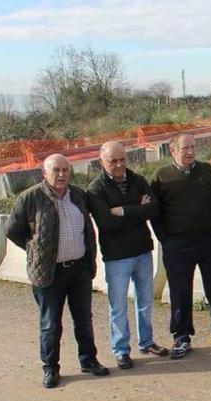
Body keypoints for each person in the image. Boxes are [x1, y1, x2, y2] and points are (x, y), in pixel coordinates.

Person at [6, 154, 109, 388]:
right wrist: (36, 251)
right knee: (51, 324)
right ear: (44, 173)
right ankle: (50, 368)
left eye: (65, 170)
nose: (61, 175)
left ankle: (89, 360)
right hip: (49, 274)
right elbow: (13, 231)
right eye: (56, 170)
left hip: (79, 270)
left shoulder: (78, 195)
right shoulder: (30, 198)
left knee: (84, 319)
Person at [151, 133, 211, 360]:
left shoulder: (207, 171)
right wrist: (166, 239)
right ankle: (181, 336)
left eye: (193, 147)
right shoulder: (161, 176)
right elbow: (155, 213)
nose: (190, 151)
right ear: (172, 151)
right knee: (180, 291)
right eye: (185, 148)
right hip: (178, 244)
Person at [87, 141, 168, 370]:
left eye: (123, 159)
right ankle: (121, 350)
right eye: (113, 161)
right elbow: (105, 223)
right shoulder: (96, 189)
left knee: (145, 301)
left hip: (142, 251)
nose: (120, 164)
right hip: (117, 256)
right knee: (118, 306)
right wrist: (138, 211)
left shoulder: (138, 180)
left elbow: (153, 209)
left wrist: (123, 211)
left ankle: (147, 341)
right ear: (102, 161)